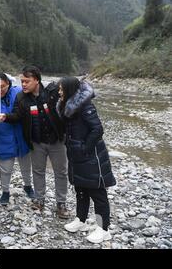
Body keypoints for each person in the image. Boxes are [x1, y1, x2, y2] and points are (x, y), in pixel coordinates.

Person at [0, 66, 70, 219]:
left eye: (27, 81)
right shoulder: (21, 98)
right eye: (22, 81)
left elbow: (67, 104)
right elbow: (17, 115)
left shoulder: (52, 92)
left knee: (61, 172)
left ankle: (61, 203)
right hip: (36, 142)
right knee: (38, 171)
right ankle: (39, 200)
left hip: (56, 140)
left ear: (37, 80)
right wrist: (6, 116)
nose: (23, 84)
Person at [57, 77, 116, 244]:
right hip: (76, 155)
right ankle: (80, 220)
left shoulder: (85, 106)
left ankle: (103, 229)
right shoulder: (68, 107)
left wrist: (84, 148)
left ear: (69, 90)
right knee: (80, 190)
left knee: (97, 193)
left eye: (61, 89)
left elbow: (97, 129)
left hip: (91, 156)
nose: (59, 92)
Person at [0, 73, 33, 206]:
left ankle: (28, 186)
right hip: (3, 139)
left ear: (9, 84)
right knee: (5, 169)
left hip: (22, 137)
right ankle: (5, 191)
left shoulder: (18, 92)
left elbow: (32, 94)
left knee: (26, 165)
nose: (0, 90)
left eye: (3, 86)